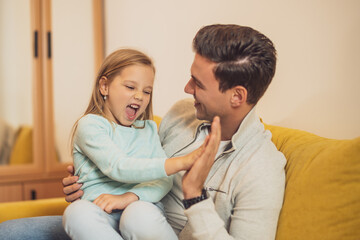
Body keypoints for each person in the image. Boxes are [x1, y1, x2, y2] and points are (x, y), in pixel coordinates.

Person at [0, 24, 286, 240]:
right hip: (108, 220)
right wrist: (86, 179)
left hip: (149, 224)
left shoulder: (262, 169)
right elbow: (132, 163)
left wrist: (195, 197)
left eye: (198, 83)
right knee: (8, 232)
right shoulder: (182, 114)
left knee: (137, 216)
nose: (187, 89)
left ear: (237, 96)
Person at [62, 48, 221, 240]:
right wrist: (182, 162)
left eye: (147, 91)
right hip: (99, 214)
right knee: (76, 213)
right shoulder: (90, 125)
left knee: (137, 214)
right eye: (130, 87)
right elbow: (118, 166)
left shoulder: (148, 130)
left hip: (140, 212)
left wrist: (128, 198)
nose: (139, 96)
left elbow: (164, 180)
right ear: (104, 86)